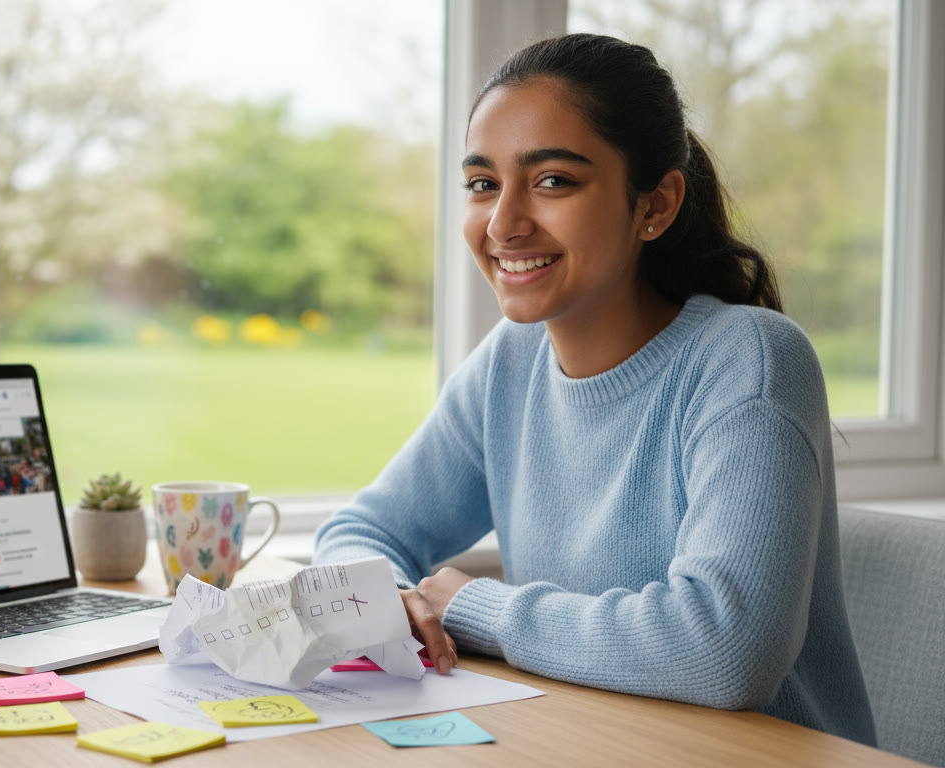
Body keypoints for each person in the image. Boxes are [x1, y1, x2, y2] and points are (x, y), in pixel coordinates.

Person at [312, 33, 876, 745]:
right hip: (587, 745)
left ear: (656, 204)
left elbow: (726, 650)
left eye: (552, 181)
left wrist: (469, 606)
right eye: (483, 184)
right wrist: (390, 599)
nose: (504, 222)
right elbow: (361, 532)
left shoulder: (750, 359)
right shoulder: (510, 363)